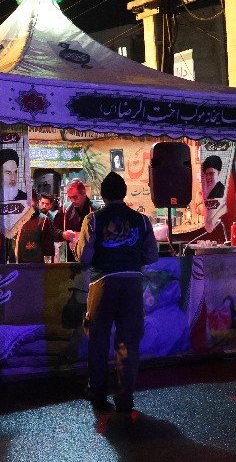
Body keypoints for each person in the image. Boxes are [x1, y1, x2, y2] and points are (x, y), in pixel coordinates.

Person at [76, 172, 158, 413]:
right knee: (128, 341)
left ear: (103, 195)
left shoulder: (93, 219)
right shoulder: (142, 221)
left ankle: (97, 392)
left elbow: (84, 256)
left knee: (98, 339)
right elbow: (151, 255)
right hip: (133, 283)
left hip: (103, 282)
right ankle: (125, 398)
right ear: (124, 193)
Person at [55, 179, 96, 262]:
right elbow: (53, 230)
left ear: (83, 193)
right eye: (70, 197)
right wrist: (63, 234)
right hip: (70, 259)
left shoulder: (96, 209)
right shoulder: (65, 209)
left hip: (92, 259)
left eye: (75, 197)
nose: (72, 201)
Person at [17, 194, 62, 263]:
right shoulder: (21, 218)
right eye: (42, 203)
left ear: (50, 205)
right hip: (22, 258)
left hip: (38, 259)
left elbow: (52, 237)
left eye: (47, 204)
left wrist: (62, 235)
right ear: (38, 202)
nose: (44, 206)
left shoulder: (49, 218)